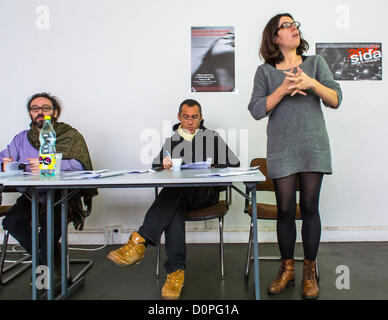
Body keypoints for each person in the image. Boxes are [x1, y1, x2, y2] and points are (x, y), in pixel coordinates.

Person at [248, 13, 342, 299]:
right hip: (282, 148)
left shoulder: (315, 63)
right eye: (285, 26)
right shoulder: (265, 71)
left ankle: (309, 271)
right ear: (275, 37)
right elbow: (255, 109)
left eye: (294, 25)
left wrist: (311, 84)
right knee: (286, 210)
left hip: (313, 145)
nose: (293, 29)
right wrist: (283, 89)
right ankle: (287, 269)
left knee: (310, 207)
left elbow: (335, 99)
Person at [107, 99, 240, 300]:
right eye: (186, 117)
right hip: (180, 198)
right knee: (174, 205)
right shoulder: (173, 140)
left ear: (201, 118)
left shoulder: (211, 137)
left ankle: (140, 242)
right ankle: (175, 273)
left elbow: (233, 163)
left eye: (194, 117)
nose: (190, 121)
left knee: (173, 193)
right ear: (179, 117)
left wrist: (212, 164)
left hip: (205, 195)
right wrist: (164, 164)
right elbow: (155, 166)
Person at [0, 92, 97, 268]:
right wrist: (5, 164)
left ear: (55, 112)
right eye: (35, 108)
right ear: (30, 113)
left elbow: (81, 165)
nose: (40, 112)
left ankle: (47, 266)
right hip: (33, 198)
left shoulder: (70, 135)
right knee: (11, 221)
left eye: (45, 108)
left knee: (48, 229)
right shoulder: (21, 139)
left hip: (64, 198)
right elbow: (4, 159)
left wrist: (48, 164)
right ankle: (49, 258)